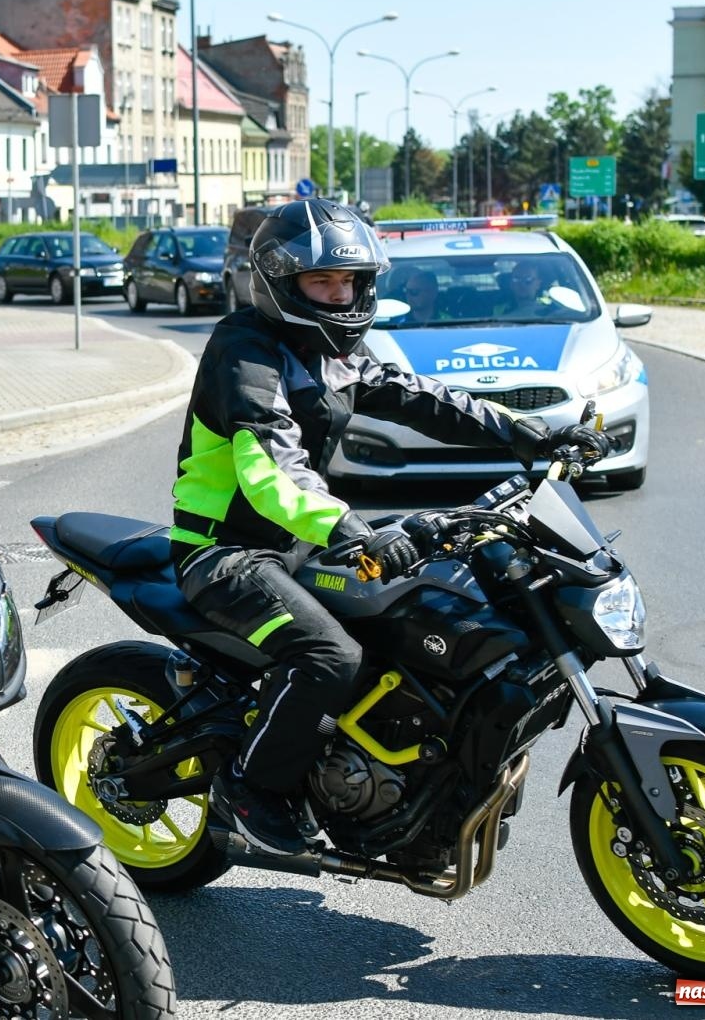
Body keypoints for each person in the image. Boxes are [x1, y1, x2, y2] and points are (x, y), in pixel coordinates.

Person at [170, 199, 613, 857]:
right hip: (228, 554)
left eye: (349, 282)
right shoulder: (246, 352)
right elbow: (271, 469)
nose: (340, 295)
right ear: (281, 284)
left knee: (430, 609)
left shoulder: (332, 350)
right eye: (322, 283)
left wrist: (528, 434)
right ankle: (251, 787)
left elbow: (421, 397)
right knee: (332, 656)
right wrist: (351, 529)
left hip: (303, 539)